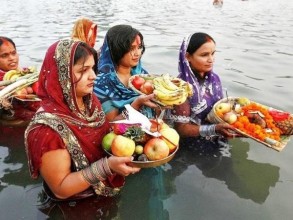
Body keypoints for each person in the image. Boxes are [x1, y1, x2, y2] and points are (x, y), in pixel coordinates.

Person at [25, 39, 140, 201]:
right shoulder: (47, 129)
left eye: (93, 68)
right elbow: (60, 189)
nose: (93, 76)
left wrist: (136, 107)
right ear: (61, 75)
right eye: (83, 70)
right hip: (75, 206)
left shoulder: (89, 101)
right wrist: (106, 167)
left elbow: (107, 133)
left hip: (104, 195)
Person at [169, 32, 236, 145]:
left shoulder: (214, 79)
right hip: (192, 148)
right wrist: (213, 129)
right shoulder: (181, 87)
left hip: (219, 138)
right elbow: (181, 129)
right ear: (188, 57)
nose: (211, 59)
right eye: (204, 55)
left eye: (213, 53)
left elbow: (220, 111)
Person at [93, 24, 158, 121]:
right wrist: (135, 105)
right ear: (116, 50)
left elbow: (155, 111)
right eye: (131, 48)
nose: (137, 53)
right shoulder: (102, 83)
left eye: (139, 47)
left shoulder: (142, 74)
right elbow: (110, 125)